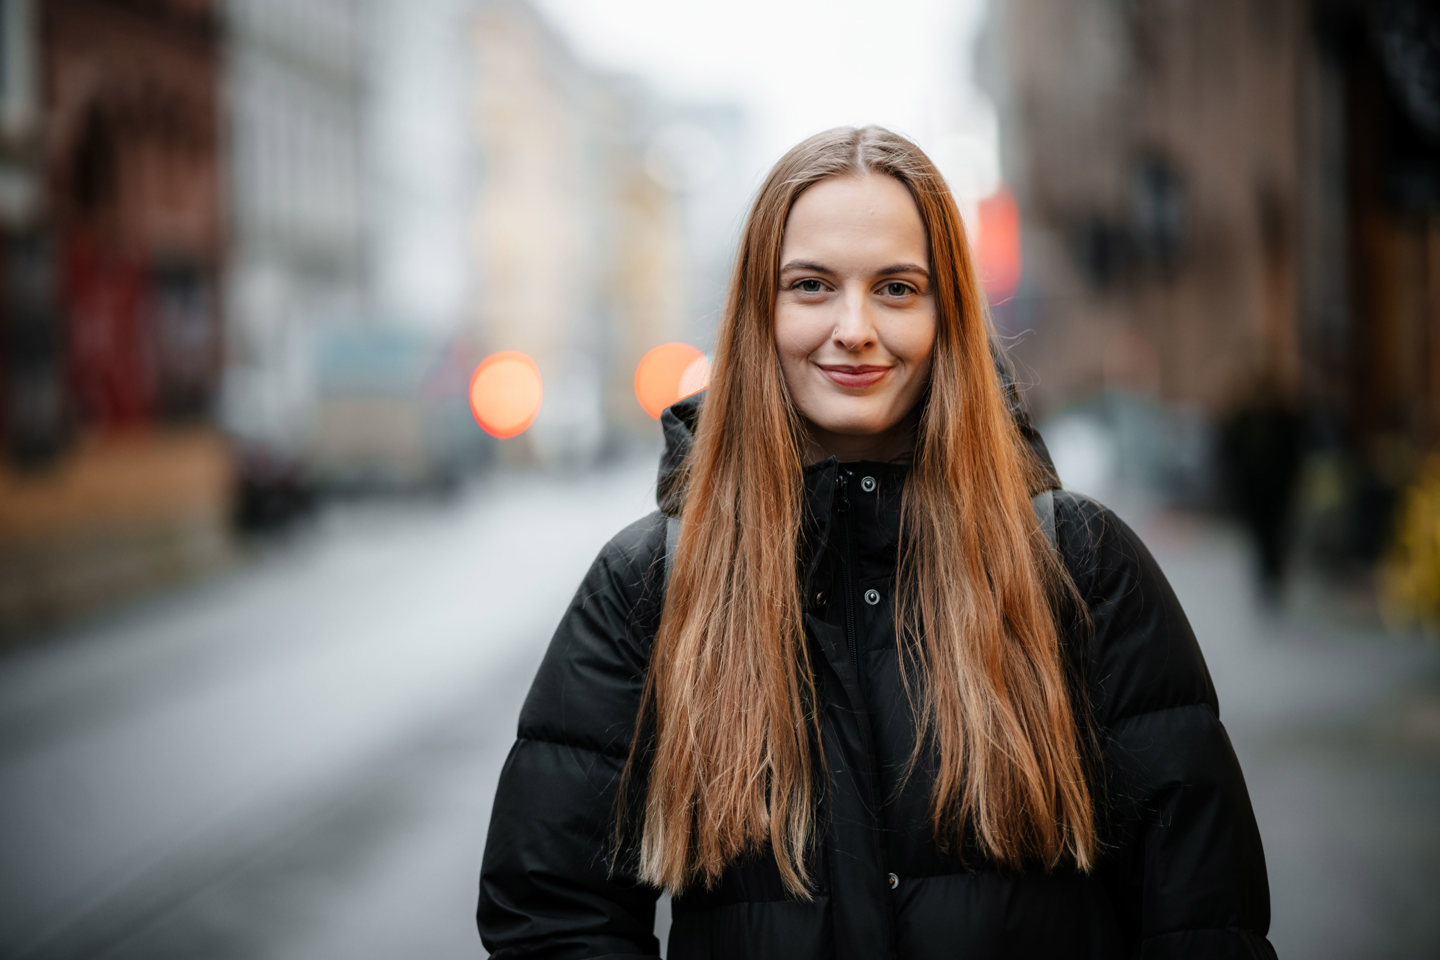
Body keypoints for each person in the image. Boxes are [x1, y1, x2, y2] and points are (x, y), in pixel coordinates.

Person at [478, 126, 1276, 959]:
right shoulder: (649, 585)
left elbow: (1203, 919)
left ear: (948, 314)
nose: (854, 327)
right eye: (812, 286)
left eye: (896, 288)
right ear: (761, 312)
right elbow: (551, 915)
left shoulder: (1079, 566)